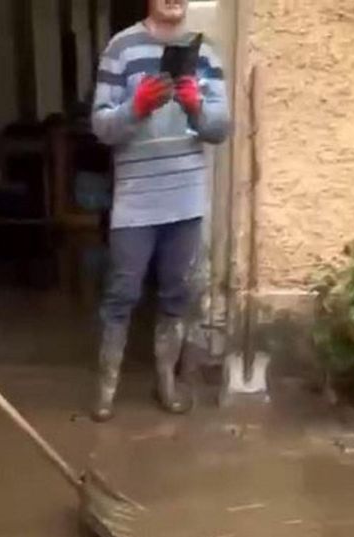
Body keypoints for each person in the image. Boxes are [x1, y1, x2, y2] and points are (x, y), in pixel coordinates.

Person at [91, 0, 230, 421]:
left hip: (185, 198)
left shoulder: (205, 53)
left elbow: (220, 129)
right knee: (122, 293)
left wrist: (195, 107)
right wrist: (137, 106)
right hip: (135, 199)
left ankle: (166, 381)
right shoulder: (121, 47)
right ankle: (106, 388)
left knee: (177, 292)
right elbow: (100, 127)